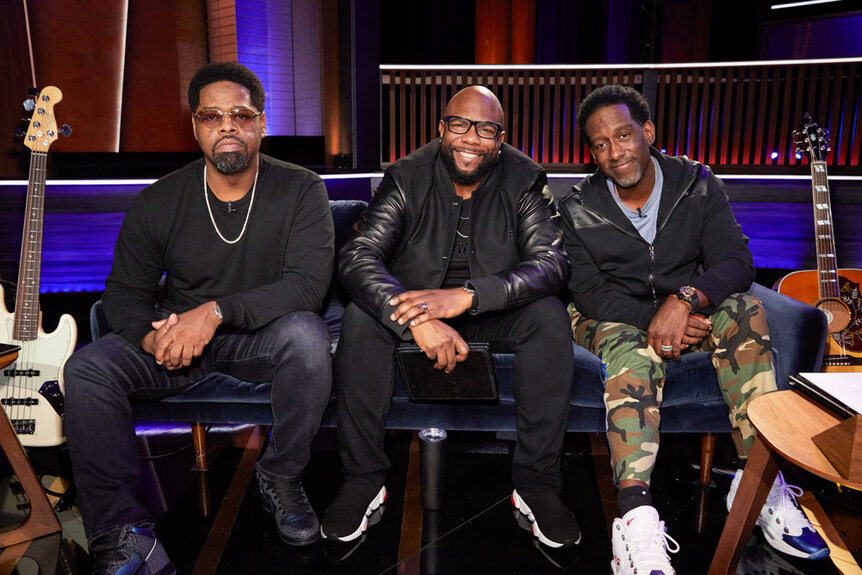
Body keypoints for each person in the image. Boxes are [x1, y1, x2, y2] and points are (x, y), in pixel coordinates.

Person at [64, 62, 335, 574]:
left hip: (258, 339)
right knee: (88, 368)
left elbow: (307, 287)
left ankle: (279, 475)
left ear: (261, 124)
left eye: (241, 115)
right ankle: (122, 533)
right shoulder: (160, 199)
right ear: (195, 126)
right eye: (212, 116)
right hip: (177, 343)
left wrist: (214, 313)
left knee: (307, 335)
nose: (227, 125)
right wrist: (150, 340)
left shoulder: (301, 189)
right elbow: (124, 292)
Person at [558, 84, 829, 574]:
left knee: (745, 310)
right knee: (633, 351)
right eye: (600, 144)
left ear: (648, 131)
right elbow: (590, 293)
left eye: (623, 135)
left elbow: (735, 260)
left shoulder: (697, 183)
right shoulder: (576, 207)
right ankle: (635, 520)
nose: (615, 152)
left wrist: (683, 302)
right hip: (610, 315)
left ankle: (758, 485)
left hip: (687, 304)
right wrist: (654, 319)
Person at [320, 86, 580, 548]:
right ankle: (363, 479)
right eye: (460, 124)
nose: (471, 138)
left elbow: (551, 263)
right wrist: (416, 319)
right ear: (442, 128)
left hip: (493, 310)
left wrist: (468, 296)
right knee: (361, 318)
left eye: (486, 129)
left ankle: (537, 484)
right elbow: (358, 255)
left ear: (501, 137)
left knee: (549, 317)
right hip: (414, 310)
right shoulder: (407, 176)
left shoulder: (524, 178)